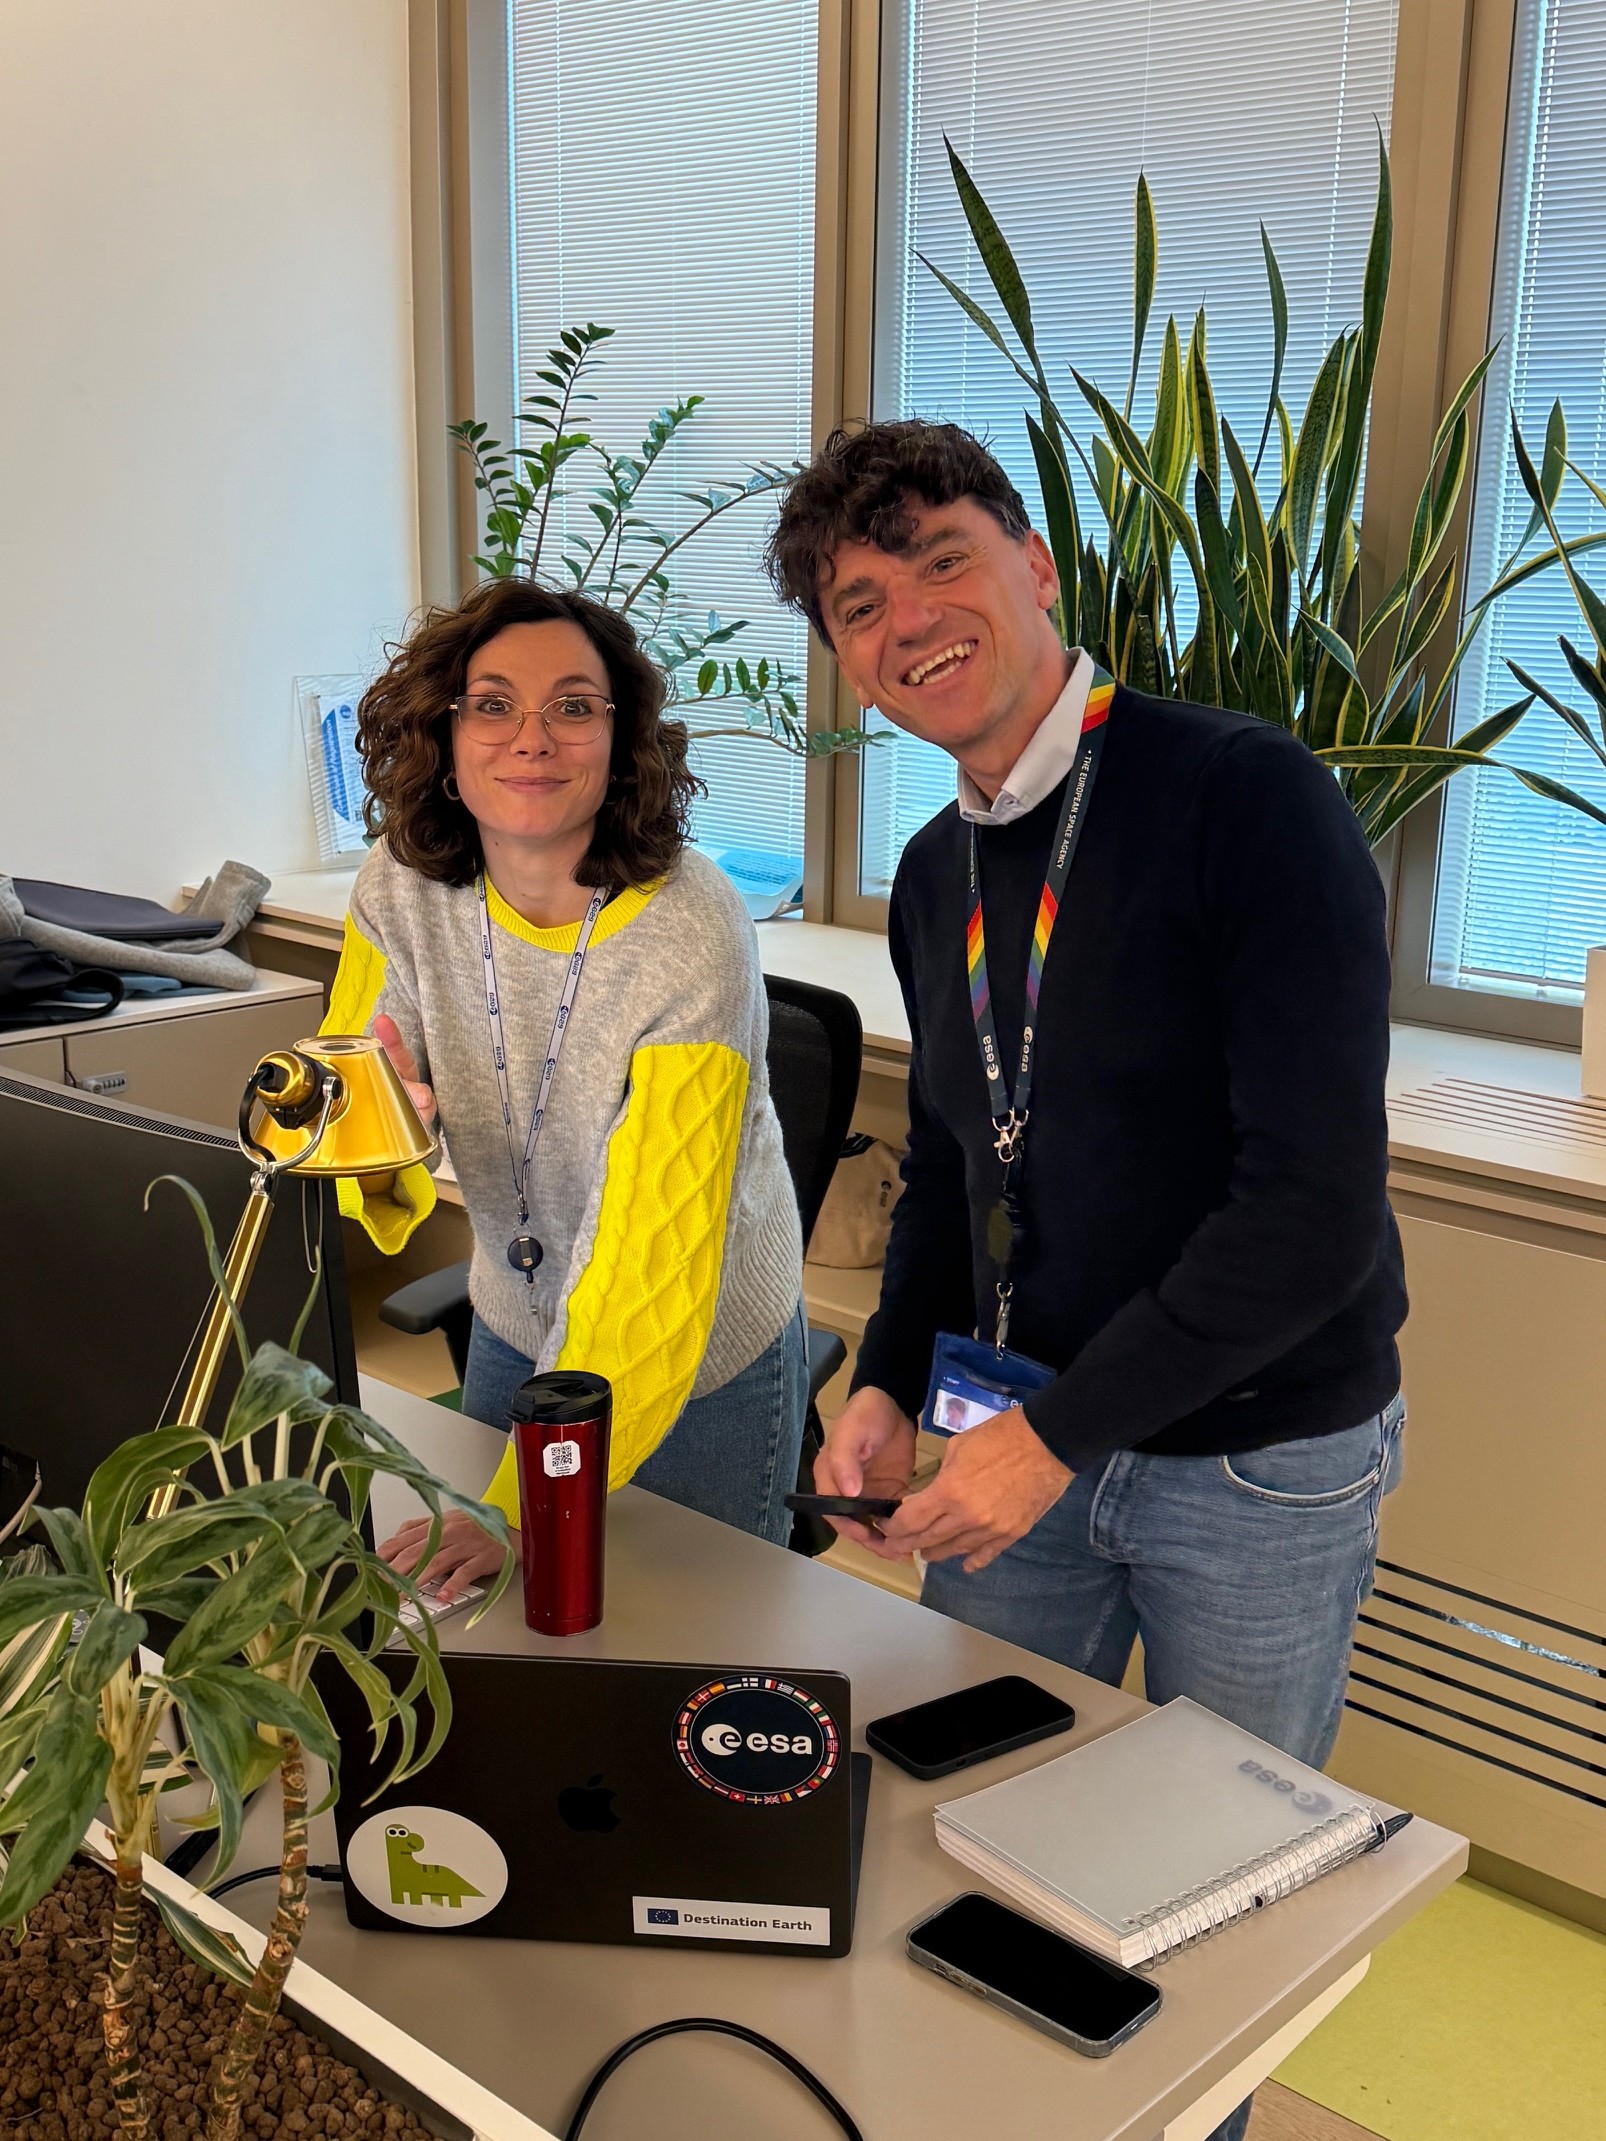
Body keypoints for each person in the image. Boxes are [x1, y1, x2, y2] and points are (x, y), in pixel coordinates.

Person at [767, 421, 1405, 2141]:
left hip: (1249, 1462)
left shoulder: (1244, 798)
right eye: (858, 604)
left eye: (942, 561)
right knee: (978, 1831)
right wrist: (884, 1380)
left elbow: (1312, 1212)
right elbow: (954, 1163)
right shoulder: (936, 872)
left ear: (1036, 566)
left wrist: (1051, 1438)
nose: (908, 620)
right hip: (1020, 1441)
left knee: (1215, 1885)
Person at [326, 578, 807, 1594]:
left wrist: (514, 1505)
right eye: (493, 704)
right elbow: (354, 1111)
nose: (531, 739)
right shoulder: (396, 887)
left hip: (699, 1341)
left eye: (573, 707)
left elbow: (649, 1266)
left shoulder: (690, 928)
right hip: (514, 1309)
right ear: (444, 733)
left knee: (695, 1632)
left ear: (621, 739)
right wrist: (376, 1142)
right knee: (500, 1620)